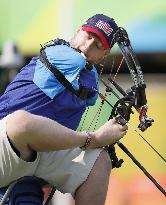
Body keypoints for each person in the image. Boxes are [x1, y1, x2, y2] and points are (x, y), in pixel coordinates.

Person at [0, 14, 128, 205]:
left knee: (99, 161)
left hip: (42, 155)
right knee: (21, 122)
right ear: (78, 31)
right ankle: (90, 139)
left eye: (97, 46)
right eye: (88, 36)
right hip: (7, 144)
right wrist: (95, 139)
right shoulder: (59, 52)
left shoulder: (88, 76)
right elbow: (82, 71)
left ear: (104, 55)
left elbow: (89, 86)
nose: (86, 47)